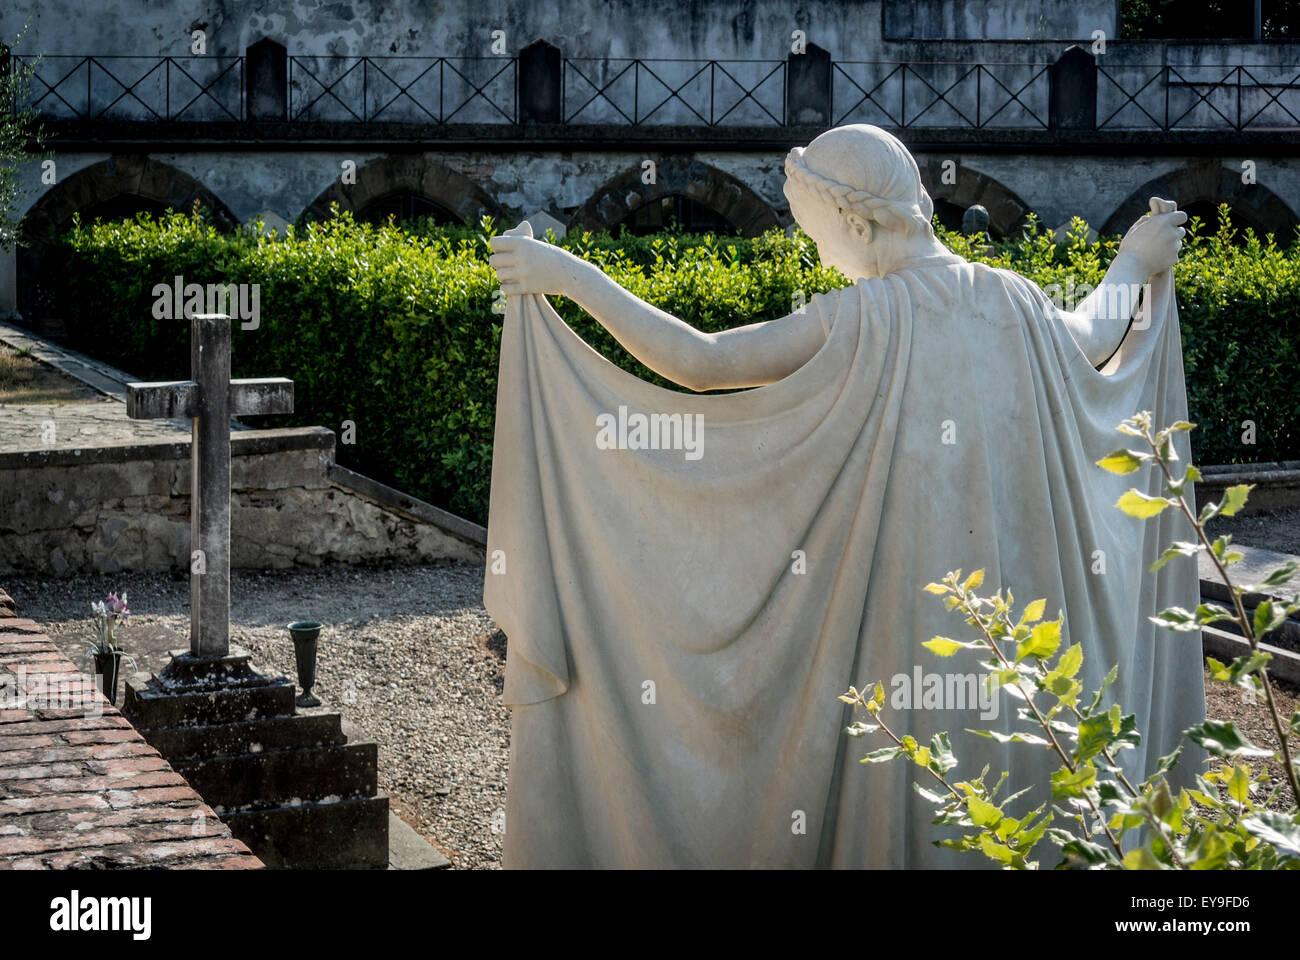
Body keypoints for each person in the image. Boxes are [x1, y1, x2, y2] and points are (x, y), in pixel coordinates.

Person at [485, 124, 1202, 868]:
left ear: (858, 224)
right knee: (1006, 769)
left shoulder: (860, 320)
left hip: (903, 619)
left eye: (819, 235)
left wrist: (567, 276)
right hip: (1009, 619)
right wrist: (1135, 259)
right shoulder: (1015, 301)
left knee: (908, 776)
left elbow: (703, 362)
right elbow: (1092, 334)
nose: (820, 254)